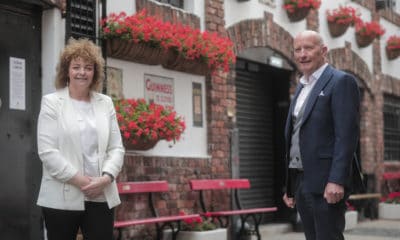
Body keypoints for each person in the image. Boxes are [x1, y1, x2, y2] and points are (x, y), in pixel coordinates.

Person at [36, 38, 125, 240]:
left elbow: (117, 148)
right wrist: (83, 182)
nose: (82, 72)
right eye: (76, 67)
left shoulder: (106, 103)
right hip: (62, 195)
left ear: (95, 72)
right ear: (66, 71)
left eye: (88, 67)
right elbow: (48, 152)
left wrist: (105, 178)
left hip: (101, 193)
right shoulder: (51, 102)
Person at [282, 30, 359, 240]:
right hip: (300, 179)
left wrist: (337, 179)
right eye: (297, 49)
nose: (302, 54)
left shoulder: (341, 81)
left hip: (327, 181)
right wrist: (289, 185)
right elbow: (295, 134)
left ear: (324, 50)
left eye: (308, 48)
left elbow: (346, 136)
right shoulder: (302, 86)